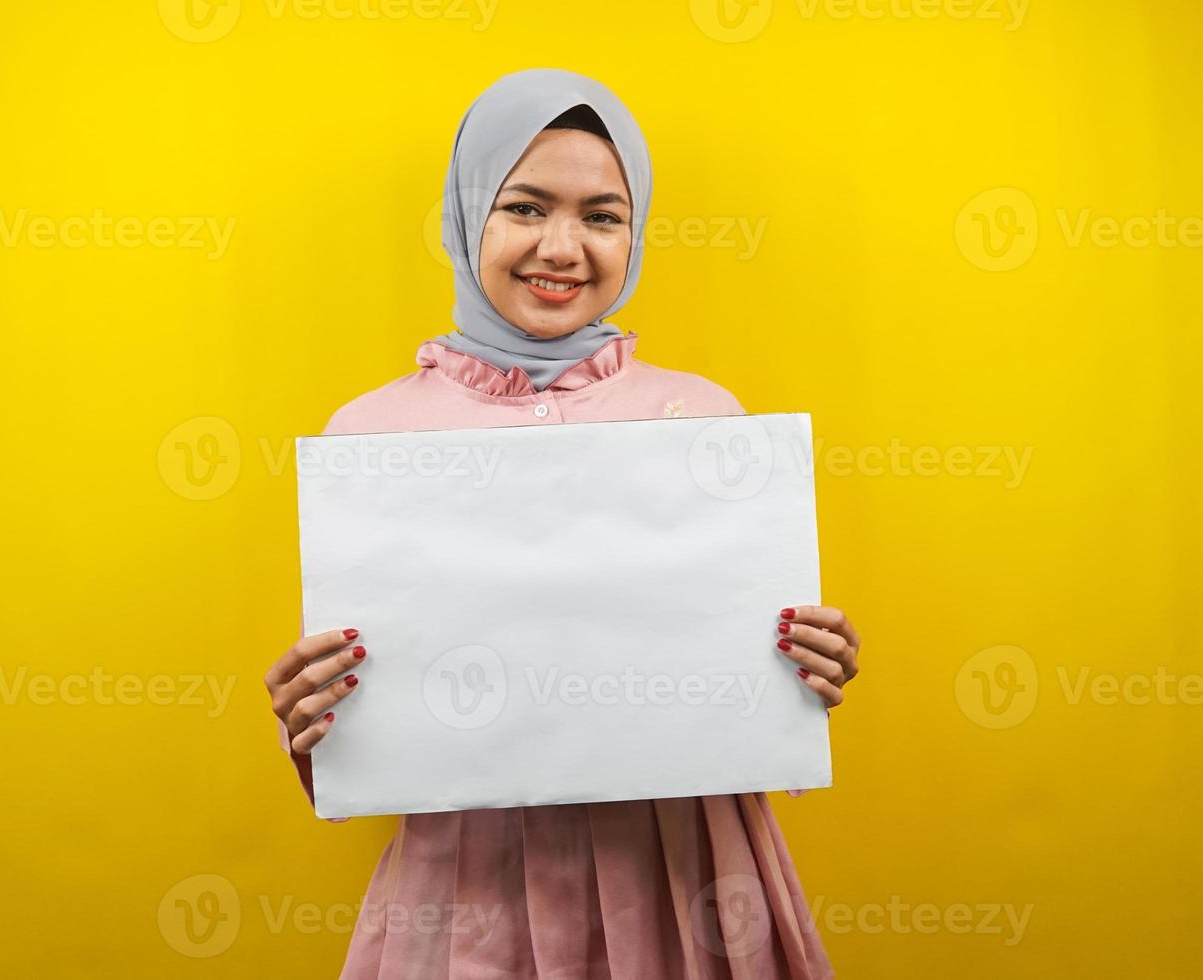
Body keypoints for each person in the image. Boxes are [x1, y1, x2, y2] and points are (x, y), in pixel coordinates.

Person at [264, 68, 862, 978]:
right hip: (472, 889)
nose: (562, 246)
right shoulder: (372, 436)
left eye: (602, 216)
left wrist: (802, 666)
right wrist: (314, 720)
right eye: (525, 206)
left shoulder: (706, 421)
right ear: (467, 220)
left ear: (637, 230)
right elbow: (373, 718)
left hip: (689, 879)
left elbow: (743, 687)